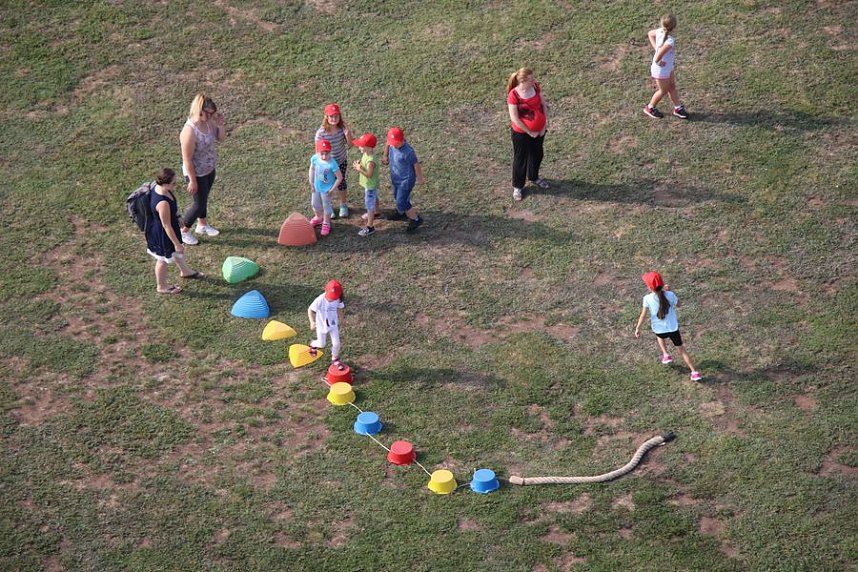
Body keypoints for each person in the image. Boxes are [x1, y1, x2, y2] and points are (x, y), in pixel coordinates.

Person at [634, 271, 701, 381]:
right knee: (681, 349)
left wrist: (638, 328)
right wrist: (670, 291)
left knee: (660, 337)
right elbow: (679, 304)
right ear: (662, 284)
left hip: (659, 329)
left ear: (650, 287)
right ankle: (694, 372)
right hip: (673, 328)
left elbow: (643, 315)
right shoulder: (670, 295)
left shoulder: (647, 298)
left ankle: (666, 355)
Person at [145, 168, 203, 294]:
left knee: (175, 253)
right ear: (164, 183)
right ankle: (161, 286)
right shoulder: (162, 203)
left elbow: (171, 212)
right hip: (163, 234)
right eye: (173, 183)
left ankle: (185, 271)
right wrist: (177, 244)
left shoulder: (162, 189)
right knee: (162, 260)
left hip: (168, 229)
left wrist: (177, 216)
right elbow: (166, 226)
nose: (175, 185)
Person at [179, 93, 225, 245]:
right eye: (208, 113)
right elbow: (187, 160)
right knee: (199, 204)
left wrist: (220, 125)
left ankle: (202, 225)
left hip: (209, 169)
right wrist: (192, 181)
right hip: (196, 173)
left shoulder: (209, 122)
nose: (211, 115)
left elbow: (221, 139)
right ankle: (183, 231)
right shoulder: (189, 132)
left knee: (203, 200)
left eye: (213, 113)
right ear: (199, 110)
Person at [507, 67, 550, 202]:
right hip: (521, 133)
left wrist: (544, 125)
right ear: (523, 81)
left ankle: (534, 176)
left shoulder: (536, 87)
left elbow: (544, 105)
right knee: (521, 158)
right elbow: (515, 118)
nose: (534, 81)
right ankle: (518, 187)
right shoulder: (514, 95)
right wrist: (529, 131)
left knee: (537, 154)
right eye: (531, 79)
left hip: (539, 131)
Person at [643, 14, 689, 120]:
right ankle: (649, 108)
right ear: (674, 27)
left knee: (672, 86)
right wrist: (659, 61)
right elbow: (658, 57)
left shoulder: (660, 31)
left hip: (668, 67)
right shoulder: (670, 42)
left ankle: (677, 108)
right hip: (661, 70)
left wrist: (656, 48)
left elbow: (650, 34)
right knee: (663, 91)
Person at [382, 127, 424, 233]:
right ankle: (401, 212)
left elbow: (416, 164)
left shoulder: (408, 152)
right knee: (397, 196)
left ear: (402, 140)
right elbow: (388, 144)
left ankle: (416, 219)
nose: (393, 145)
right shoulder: (392, 144)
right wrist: (385, 155)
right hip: (396, 177)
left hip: (406, 181)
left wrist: (419, 178)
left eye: (396, 143)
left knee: (401, 201)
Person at [314, 103, 353, 218]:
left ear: (339, 116)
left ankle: (343, 204)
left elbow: (350, 145)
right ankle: (328, 206)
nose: (334, 119)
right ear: (326, 117)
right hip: (327, 164)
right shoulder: (321, 133)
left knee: (341, 182)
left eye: (336, 116)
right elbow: (318, 152)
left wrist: (348, 135)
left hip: (341, 160)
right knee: (327, 184)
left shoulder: (342, 129)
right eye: (331, 116)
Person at [308, 280, 346, 370]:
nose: (332, 299)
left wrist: (342, 319)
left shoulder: (338, 299)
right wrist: (312, 322)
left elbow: (340, 308)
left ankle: (335, 358)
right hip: (321, 325)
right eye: (330, 297)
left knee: (336, 344)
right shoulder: (320, 300)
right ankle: (312, 344)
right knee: (322, 344)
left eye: (334, 297)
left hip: (333, 324)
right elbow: (310, 310)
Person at [308, 139, 342, 237]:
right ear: (318, 152)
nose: (324, 156)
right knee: (314, 204)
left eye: (326, 154)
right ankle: (319, 217)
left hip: (327, 190)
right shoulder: (315, 158)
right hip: (316, 187)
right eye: (321, 154)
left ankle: (326, 222)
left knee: (326, 206)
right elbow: (312, 168)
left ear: (330, 152)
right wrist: (311, 182)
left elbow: (339, 178)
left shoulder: (332, 163)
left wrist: (332, 189)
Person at [351, 132, 380, 237]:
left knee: (369, 205)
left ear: (368, 147)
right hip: (372, 184)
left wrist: (359, 169)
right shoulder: (366, 154)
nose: (359, 147)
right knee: (374, 198)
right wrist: (360, 164)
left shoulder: (371, 161)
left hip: (370, 185)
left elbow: (369, 174)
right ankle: (376, 211)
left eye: (361, 146)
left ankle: (370, 226)